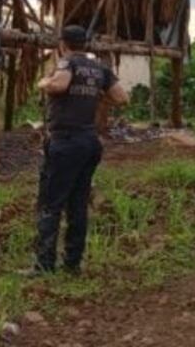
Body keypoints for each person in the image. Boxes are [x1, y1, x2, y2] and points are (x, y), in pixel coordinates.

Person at [28, 25, 129, 276]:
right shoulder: (100, 68)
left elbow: (60, 86)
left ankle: (44, 265)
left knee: (51, 204)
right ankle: (73, 263)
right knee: (78, 204)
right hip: (89, 142)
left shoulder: (66, 63)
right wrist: (95, 96)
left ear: (63, 44)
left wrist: (44, 82)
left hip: (65, 142)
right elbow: (121, 98)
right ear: (86, 44)